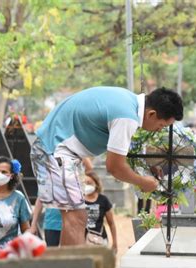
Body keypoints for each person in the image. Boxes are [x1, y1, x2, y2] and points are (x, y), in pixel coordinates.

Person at [31, 86, 183, 246]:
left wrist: (146, 168)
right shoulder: (127, 117)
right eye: (161, 126)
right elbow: (115, 167)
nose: (159, 130)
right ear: (151, 114)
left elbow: (121, 151)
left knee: (76, 218)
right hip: (54, 150)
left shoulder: (127, 102)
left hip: (59, 150)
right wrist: (144, 182)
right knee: (75, 218)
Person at [29, 157, 94, 247]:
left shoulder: (77, 181)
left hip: (73, 224)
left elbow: (90, 168)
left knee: (72, 255)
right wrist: (33, 224)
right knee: (54, 256)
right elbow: (40, 201)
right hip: (52, 224)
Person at [84, 171, 117, 252]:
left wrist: (115, 243)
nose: (86, 186)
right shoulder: (79, 200)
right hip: (83, 242)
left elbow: (111, 223)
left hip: (100, 240)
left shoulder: (103, 200)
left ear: (96, 184)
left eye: (89, 183)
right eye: (84, 183)